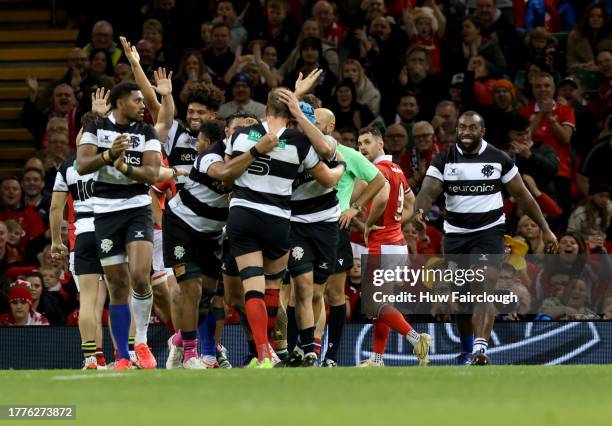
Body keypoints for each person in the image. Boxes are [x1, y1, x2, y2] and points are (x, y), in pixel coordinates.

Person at [409, 111, 558, 365]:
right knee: (463, 299)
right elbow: (428, 191)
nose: (466, 132)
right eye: (462, 128)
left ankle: (480, 350)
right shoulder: (444, 160)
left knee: (483, 287)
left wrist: (546, 229)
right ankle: (468, 351)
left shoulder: (499, 159)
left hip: (489, 233)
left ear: (482, 131)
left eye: (472, 128)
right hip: (456, 236)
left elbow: (523, 196)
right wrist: (419, 213)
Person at [224, 88, 346, 367]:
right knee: (272, 288)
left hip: (242, 214)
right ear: (292, 112)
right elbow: (327, 177)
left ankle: (262, 351)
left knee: (251, 286)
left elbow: (229, 176)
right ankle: (273, 348)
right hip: (278, 219)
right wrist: (340, 168)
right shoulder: (299, 142)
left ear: (264, 109)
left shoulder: (243, 135)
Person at [76, 82, 162, 370]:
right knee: (117, 284)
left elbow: (151, 172)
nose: (142, 105)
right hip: (105, 211)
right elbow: (82, 164)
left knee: (139, 275)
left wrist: (125, 168)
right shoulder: (97, 127)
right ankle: (123, 356)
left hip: (137, 206)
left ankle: (141, 342)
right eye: (137, 100)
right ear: (119, 102)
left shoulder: (146, 131)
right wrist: (109, 155)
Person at [312, 107, 385, 367]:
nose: (309, 124)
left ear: (329, 127)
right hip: (303, 226)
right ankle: (307, 350)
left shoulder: (349, 155)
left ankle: (329, 357)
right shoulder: (301, 151)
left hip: (334, 227)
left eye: (315, 121)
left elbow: (378, 180)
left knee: (333, 294)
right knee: (307, 292)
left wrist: (356, 207)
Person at [356, 126, 431, 367]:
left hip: (383, 245)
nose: (362, 147)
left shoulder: (378, 171)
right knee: (379, 305)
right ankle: (378, 359)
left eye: (367, 142)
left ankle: (416, 338)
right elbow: (410, 200)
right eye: (359, 144)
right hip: (396, 243)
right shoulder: (396, 169)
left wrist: (368, 225)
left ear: (381, 145)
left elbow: (381, 197)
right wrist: (397, 223)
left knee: (374, 304)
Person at [50, 146, 105, 369]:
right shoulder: (111, 158)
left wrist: (56, 240)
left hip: (80, 237)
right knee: (123, 299)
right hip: (112, 233)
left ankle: (92, 358)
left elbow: (55, 207)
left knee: (90, 302)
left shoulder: (67, 166)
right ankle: (128, 355)